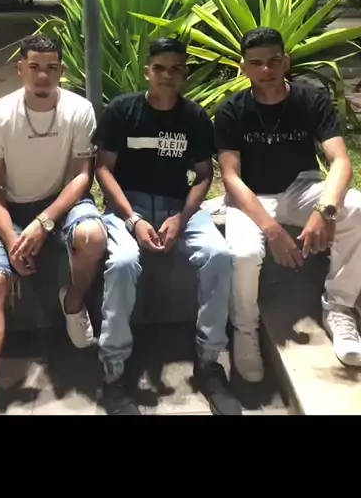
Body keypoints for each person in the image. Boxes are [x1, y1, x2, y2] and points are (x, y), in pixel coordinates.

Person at [93, 37, 241, 416]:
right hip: (128, 207)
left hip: (178, 207)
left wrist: (182, 218)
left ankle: (208, 363)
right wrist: (133, 218)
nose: (167, 76)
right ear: (147, 72)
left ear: (184, 74)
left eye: (176, 69)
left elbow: (204, 175)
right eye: (159, 68)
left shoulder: (194, 117)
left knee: (219, 255)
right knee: (123, 262)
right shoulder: (122, 111)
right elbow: (103, 170)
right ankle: (114, 372)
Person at [0, 35, 106, 415]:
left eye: (51, 67)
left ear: (62, 70)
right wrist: (12, 236)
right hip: (11, 208)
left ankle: (73, 302)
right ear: (20, 69)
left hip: (61, 201)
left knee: (93, 237)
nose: (43, 75)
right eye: (34, 67)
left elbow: (82, 176)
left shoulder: (79, 109)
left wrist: (45, 221)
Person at [215, 27, 361, 383]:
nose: (266, 69)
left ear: (286, 61)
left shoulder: (312, 100)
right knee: (245, 253)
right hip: (249, 197)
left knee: (358, 209)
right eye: (256, 63)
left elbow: (341, 161)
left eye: (274, 61)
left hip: (301, 187)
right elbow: (231, 177)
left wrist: (325, 210)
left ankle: (339, 306)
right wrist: (273, 231)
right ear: (243, 68)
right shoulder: (232, 110)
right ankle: (245, 328)